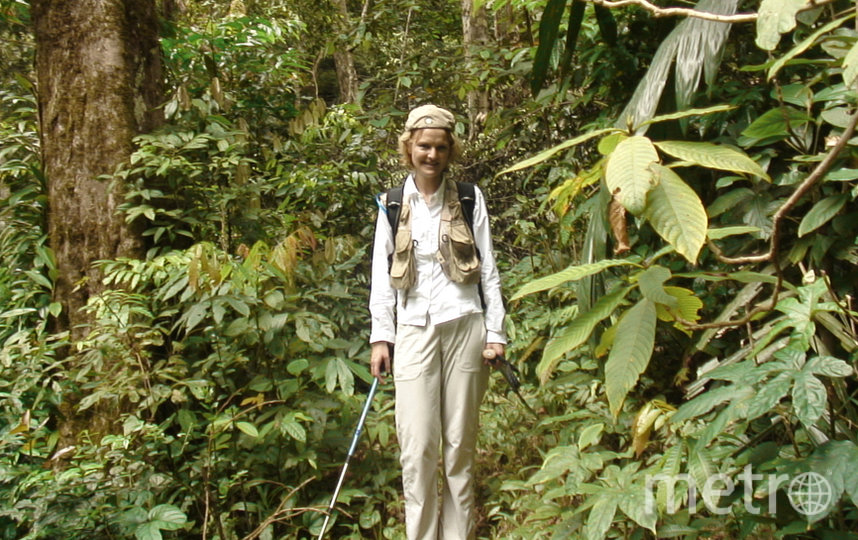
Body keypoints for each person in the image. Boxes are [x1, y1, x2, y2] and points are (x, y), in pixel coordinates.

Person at [368, 104, 507, 540]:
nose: (431, 155)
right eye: (424, 146)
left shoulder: (469, 196)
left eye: (440, 147)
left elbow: (487, 269)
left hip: (465, 323)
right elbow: (381, 275)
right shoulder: (391, 203)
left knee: (459, 448)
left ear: (451, 151)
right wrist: (380, 339)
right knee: (418, 448)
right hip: (412, 330)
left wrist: (496, 333)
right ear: (409, 147)